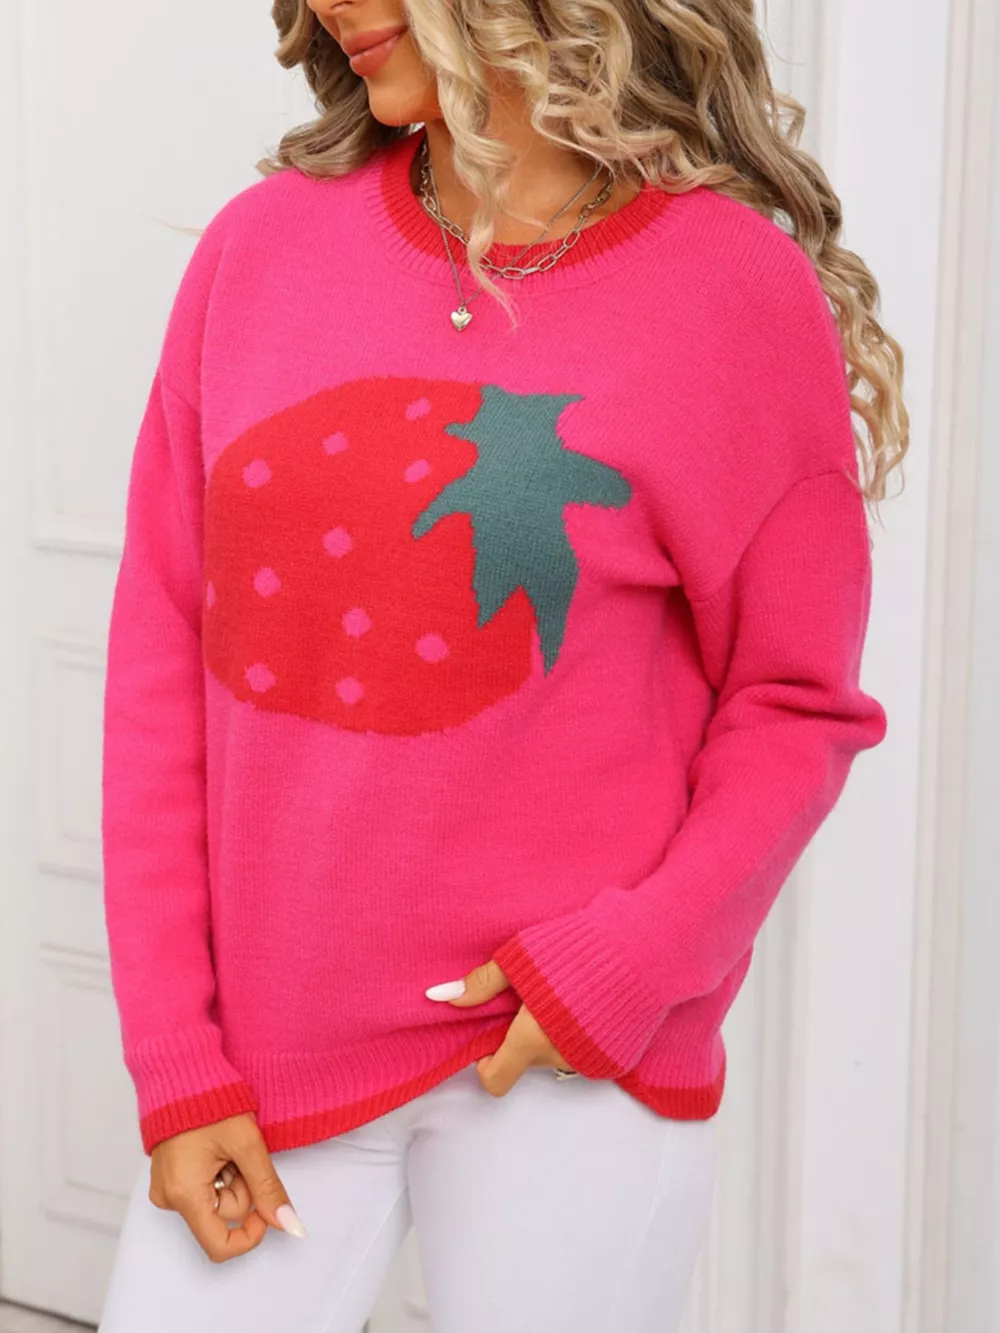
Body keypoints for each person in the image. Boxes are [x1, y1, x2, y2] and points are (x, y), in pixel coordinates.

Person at [96, 1, 908, 1330]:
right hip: (267, 1053)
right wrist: (176, 1057)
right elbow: (159, 675)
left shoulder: (731, 291)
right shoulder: (258, 252)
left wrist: (629, 964)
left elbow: (796, 701)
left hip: (570, 1058)